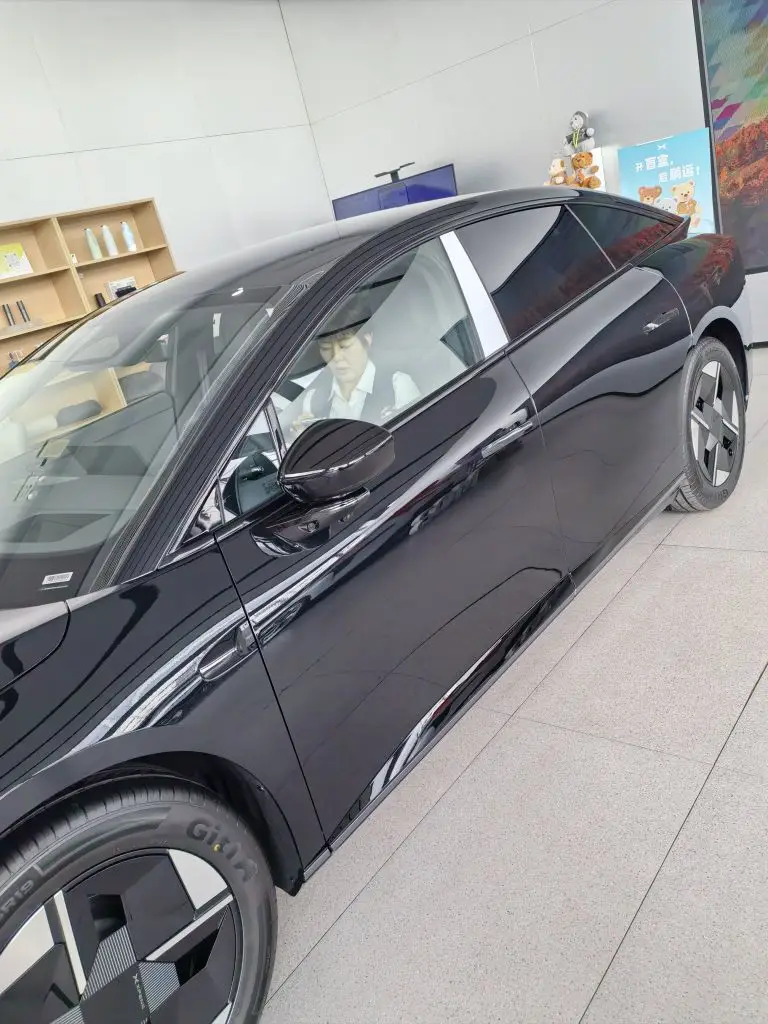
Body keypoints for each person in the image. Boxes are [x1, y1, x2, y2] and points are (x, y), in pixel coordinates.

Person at [278, 308, 420, 439]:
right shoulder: (314, 398)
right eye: (326, 347)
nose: (336, 357)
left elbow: (416, 439)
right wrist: (303, 438)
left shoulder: (397, 384)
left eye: (344, 346)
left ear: (368, 339)